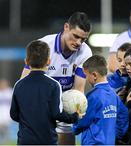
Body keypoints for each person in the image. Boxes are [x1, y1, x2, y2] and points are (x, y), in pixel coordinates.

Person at [20, 12, 92, 144]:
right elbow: (24, 82)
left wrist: (74, 111)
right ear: (66, 27)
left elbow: (78, 90)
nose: (78, 43)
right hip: (39, 103)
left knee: (68, 138)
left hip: (64, 103)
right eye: (75, 36)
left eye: (83, 39)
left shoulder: (85, 52)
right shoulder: (43, 46)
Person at [10, 40, 79, 145]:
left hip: (25, 141)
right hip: (47, 141)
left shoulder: (19, 85)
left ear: (26, 61)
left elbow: (14, 114)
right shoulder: (54, 85)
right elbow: (57, 114)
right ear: (48, 61)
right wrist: (75, 116)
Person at [72, 55, 129, 145]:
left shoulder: (93, 96)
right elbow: (124, 115)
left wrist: (74, 126)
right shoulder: (113, 94)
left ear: (94, 75)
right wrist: (116, 135)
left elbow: (83, 121)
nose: (86, 79)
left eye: (86, 76)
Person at [0, 79, 13, 144]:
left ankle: (6, 140)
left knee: (5, 126)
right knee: (2, 127)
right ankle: (5, 139)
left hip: (7, 113)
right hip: (1, 112)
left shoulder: (10, 92)